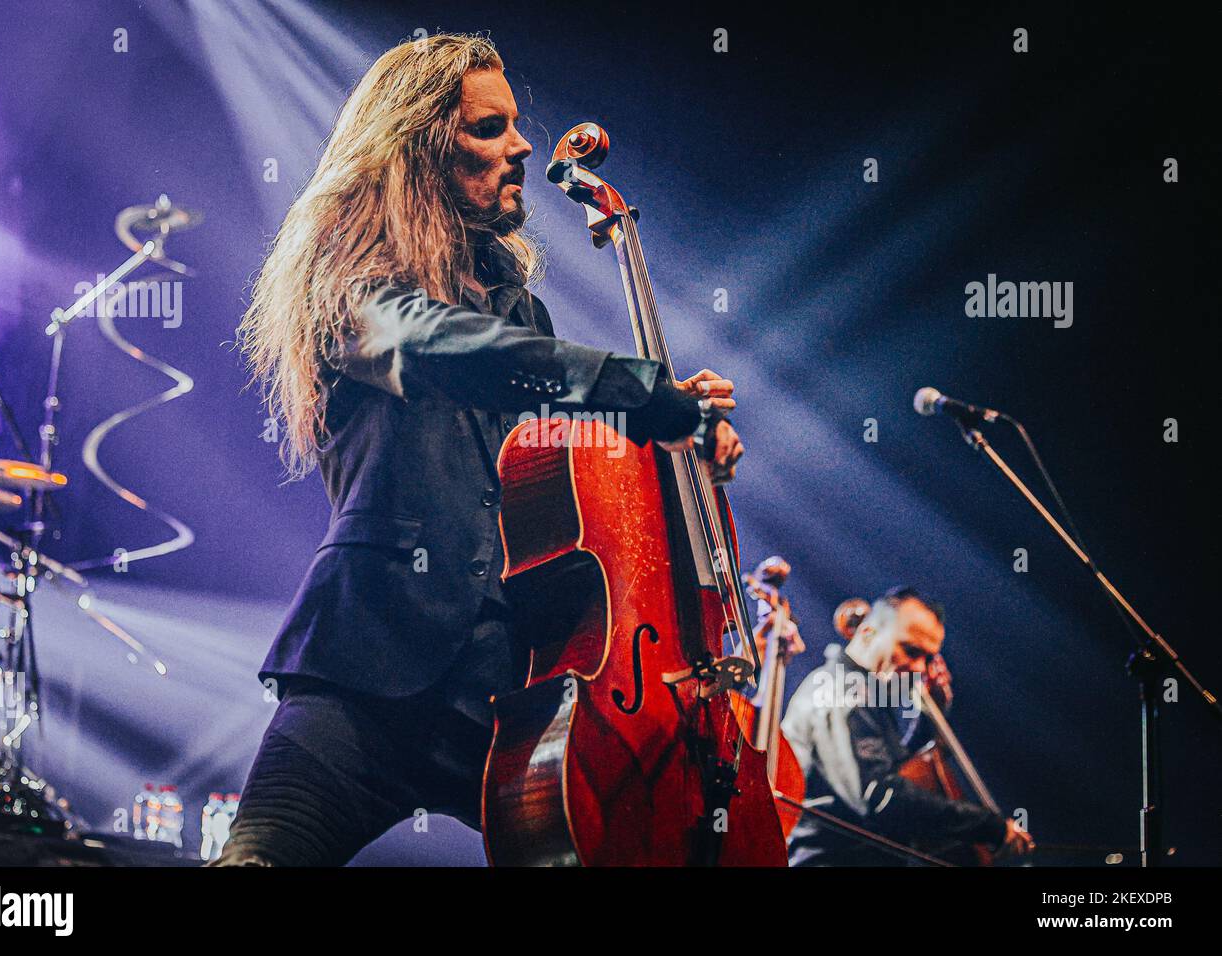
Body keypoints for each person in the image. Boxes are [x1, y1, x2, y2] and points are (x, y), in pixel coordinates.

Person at [217, 33, 744, 866]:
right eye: (490, 128)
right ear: (420, 146)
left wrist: (673, 440)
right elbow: (440, 347)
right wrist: (637, 388)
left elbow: (563, 469)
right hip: (366, 669)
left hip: (513, 686)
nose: (524, 146)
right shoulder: (346, 281)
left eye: (515, 126)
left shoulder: (517, 307)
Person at [781, 586, 1034, 865]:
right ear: (867, 633)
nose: (919, 668)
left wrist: (928, 719)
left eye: (927, 658)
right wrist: (988, 826)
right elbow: (881, 796)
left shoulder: (858, 689)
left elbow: (892, 769)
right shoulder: (843, 693)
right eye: (910, 650)